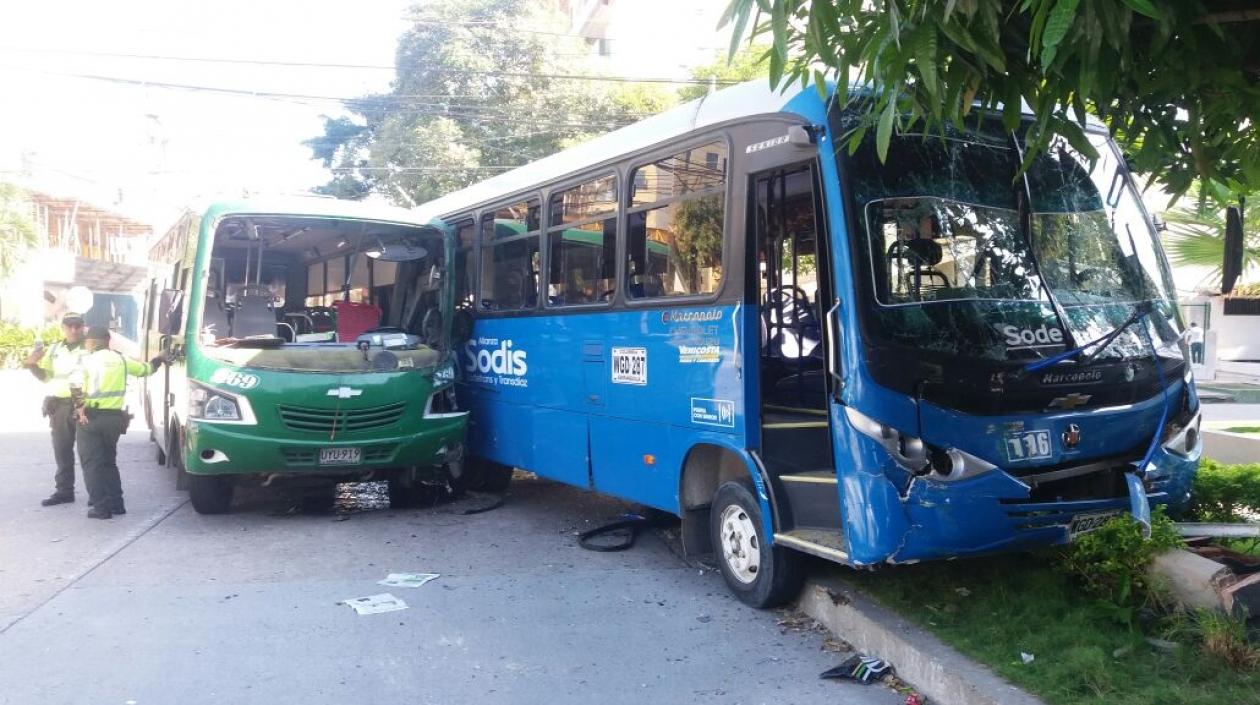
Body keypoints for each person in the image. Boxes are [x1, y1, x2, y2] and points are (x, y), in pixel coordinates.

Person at [73, 326, 167, 519]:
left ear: (91, 342)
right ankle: (117, 504)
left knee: (92, 465)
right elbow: (146, 369)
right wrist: (159, 358)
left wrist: (80, 407)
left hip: (90, 418)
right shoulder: (121, 359)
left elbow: (75, 385)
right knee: (109, 462)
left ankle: (100, 508)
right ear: (108, 341)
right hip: (114, 420)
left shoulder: (86, 360)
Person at [23, 312, 88, 507]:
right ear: (63, 327)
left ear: (83, 326)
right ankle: (64, 491)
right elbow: (47, 376)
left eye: (77, 325)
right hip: (59, 406)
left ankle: (97, 493)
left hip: (84, 405)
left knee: (89, 452)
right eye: (70, 326)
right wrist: (31, 364)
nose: (74, 329)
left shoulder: (91, 347)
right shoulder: (54, 350)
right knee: (62, 450)